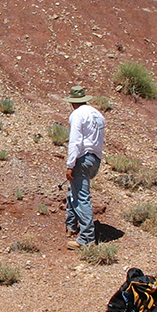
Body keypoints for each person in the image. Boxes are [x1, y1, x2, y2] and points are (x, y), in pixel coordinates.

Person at [62, 85, 105, 248]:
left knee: (81, 196)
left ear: (73, 101)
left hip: (83, 158)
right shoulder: (98, 115)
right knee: (74, 189)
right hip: (95, 159)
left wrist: (70, 164)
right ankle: (71, 225)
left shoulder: (77, 114)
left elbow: (75, 141)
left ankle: (87, 238)